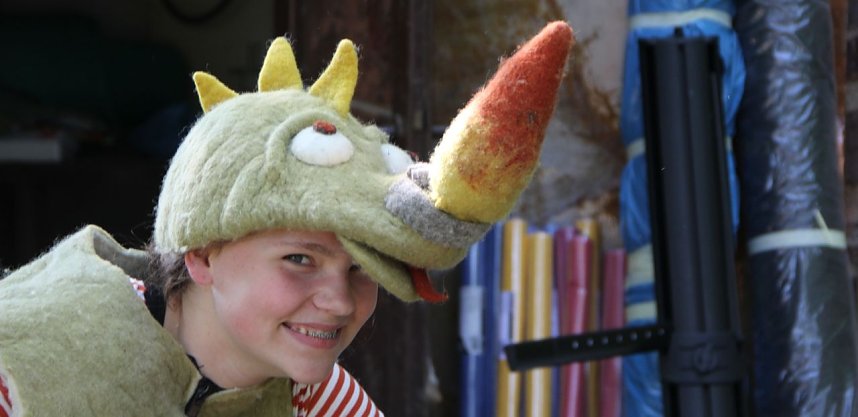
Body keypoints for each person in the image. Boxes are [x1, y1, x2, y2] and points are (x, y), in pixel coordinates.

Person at [0, 21, 573, 416]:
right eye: (300, 258)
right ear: (202, 254)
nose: (340, 302)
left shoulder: (313, 396)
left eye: (361, 268)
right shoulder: (33, 360)